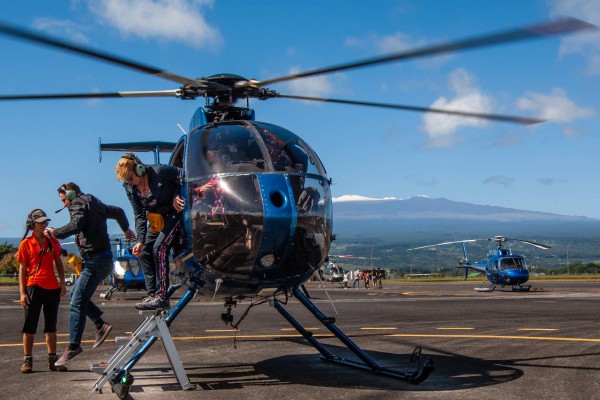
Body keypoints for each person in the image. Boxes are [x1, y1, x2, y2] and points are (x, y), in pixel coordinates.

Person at [46, 182, 135, 367]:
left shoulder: (78, 203)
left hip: (95, 260)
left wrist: (55, 233)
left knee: (77, 299)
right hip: (101, 260)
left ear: (71, 194)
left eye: (64, 200)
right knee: (75, 295)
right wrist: (126, 229)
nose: (64, 205)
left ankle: (73, 346)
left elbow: (75, 225)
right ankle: (100, 324)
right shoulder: (95, 202)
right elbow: (118, 211)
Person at [114, 153, 185, 310]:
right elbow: (139, 214)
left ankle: (162, 297)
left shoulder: (160, 172)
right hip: (157, 219)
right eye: (127, 181)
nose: (130, 183)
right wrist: (140, 239)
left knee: (159, 249)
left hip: (174, 215)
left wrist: (176, 194)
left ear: (139, 170)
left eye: (131, 179)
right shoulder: (130, 188)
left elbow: (183, 176)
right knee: (145, 250)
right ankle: (152, 294)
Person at [17, 209, 67, 373]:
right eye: (41, 222)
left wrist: (62, 283)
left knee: (51, 326)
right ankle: (28, 360)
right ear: (32, 225)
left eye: (46, 222)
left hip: (52, 287)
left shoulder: (51, 241)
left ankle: (53, 360)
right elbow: (22, 270)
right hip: (33, 286)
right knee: (29, 326)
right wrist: (23, 293)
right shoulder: (25, 243)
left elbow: (58, 262)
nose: (45, 224)